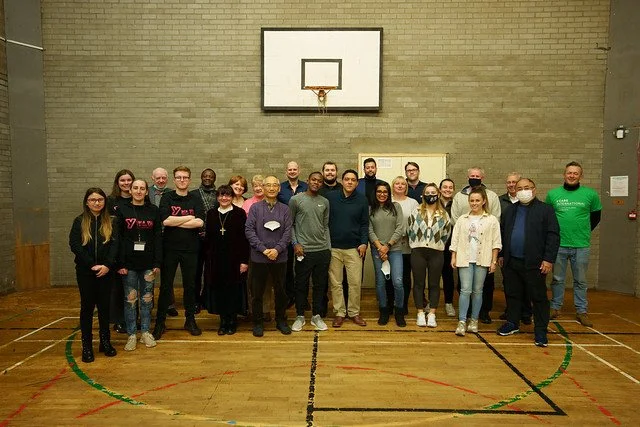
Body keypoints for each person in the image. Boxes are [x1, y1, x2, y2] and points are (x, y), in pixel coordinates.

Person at [496, 178, 560, 347]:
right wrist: (502, 254)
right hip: (511, 262)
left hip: (535, 263)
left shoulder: (546, 210)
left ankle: (540, 330)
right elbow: (502, 233)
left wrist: (548, 259)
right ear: (515, 191)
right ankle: (512, 322)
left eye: (527, 188)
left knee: (538, 297)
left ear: (534, 190)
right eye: (520, 188)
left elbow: (553, 236)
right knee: (513, 294)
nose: (523, 191)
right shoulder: (510, 210)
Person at [545, 161, 602, 327]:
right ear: (564, 174)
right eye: (569, 173)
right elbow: (548, 218)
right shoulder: (553, 194)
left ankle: (581, 311)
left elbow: (596, 217)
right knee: (557, 279)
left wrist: (582, 230)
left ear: (580, 176)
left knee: (581, 280)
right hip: (559, 245)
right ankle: (555, 308)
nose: (571, 176)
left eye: (575, 173)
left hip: (581, 245)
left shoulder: (590, 195)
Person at [152, 166, 205, 340]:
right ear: (174, 180)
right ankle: (160, 322)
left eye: (185, 178)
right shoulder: (168, 197)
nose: (182, 180)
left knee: (190, 286)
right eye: (179, 177)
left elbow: (200, 223)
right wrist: (188, 218)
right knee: (166, 286)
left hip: (191, 249)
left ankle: (190, 320)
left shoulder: (195, 198)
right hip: (170, 249)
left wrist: (177, 221)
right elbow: (165, 221)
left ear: (189, 180)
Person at [69, 188, 119, 363]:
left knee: (104, 307)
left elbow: (115, 245)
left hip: (106, 272)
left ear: (104, 201)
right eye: (92, 200)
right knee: (87, 308)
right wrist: (92, 264)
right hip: (86, 272)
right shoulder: (79, 221)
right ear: (87, 202)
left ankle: (105, 342)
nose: (96, 202)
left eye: (100, 199)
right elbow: (75, 245)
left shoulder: (112, 221)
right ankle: (87, 345)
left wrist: (107, 265)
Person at [116, 179, 162, 351]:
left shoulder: (153, 210)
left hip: (148, 263)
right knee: (130, 300)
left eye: (142, 188)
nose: (138, 191)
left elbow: (158, 237)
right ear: (131, 190)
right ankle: (131, 334)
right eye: (135, 188)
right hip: (128, 264)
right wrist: (120, 263)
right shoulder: (122, 210)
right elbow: (118, 238)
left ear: (146, 191)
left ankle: (145, 332)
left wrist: (157, 261)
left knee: (147, 299)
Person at [451, 167, 501, 324]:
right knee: (465, 290)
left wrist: (493, 261)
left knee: (478, 291)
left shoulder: (491, 219)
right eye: (472, 201)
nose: (474, 203)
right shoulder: (462, 219)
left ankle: (474, 320)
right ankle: (462, 321)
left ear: (484, 201)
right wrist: (453, 255)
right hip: (465, 259)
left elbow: (496, 241)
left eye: (477, 200)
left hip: (483, 259)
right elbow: (456, 239)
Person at [245, 175, 293, 337]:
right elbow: (249, 230)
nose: (271, 188)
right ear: (263, 188)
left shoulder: (285, 209)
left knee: (281, 291)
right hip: (259, 258)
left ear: (279, 188)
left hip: (280, 258)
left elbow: (288, 233)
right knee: (257, 292)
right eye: (268, 185)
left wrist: (277, 250)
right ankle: (258, 322)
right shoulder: (255, 209)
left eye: (275, 185)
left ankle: (281, 320)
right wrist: (264, 250)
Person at [202, 185, 250, 335]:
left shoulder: (239, 213)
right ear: (217, 197)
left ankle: (232, 321)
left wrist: (244, 261)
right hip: (216, 260)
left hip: (234, 260)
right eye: (221, 195)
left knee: (233, 291)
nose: (224, 198)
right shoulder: (211, 214)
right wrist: (207, 259)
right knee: (220, 291)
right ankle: (223, 322)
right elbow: (208, 239)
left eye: (227, 195)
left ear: (232, 197)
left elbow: (244, 239)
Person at [325, 169, 369, 327]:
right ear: (342, 181)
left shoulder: (362, 200)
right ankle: (339, 312)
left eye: (353, 180)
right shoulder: (330, 198)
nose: (350, 182)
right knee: (336, 283)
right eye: (347, 179)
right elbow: (324, 221)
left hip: (354, 248)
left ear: (357, 183)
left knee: (355, 282)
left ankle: (354, 312)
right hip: (334, 248)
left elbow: (365, 224)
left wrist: (364, 242)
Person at [289, 172, 331, 332]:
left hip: (322, 250)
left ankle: (316, 316)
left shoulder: (325, 202)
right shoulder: (296, 200)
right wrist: (295, 243)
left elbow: (325, 226)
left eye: (319, 181)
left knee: (320, 286)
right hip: (303, 251)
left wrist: (328, 247)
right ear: (307, 181)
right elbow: (290, 224)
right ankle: (300, 316)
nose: (316, 183)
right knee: (301, 285)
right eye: (313, 179)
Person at [408, 183, 452, 328]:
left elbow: (446, 234)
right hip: (418, 251)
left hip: (436, 252)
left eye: (433, 192)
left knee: (434, 284)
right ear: (423, 194)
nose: (430, 195)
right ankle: (420, 312)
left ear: (438, 194)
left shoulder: (444, 214)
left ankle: (432, 313)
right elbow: (410, 229)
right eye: (427, 192)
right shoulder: (415, 211)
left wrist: (437, 244)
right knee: (419, 283)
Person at [369, 182, 406, 326]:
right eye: (379, 191)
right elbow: (370, 230)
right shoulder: (370, 209)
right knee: (380, 282)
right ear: (375, 193)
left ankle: (399, 311)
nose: (382, 194)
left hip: (394, 249)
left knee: (397, 281)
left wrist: (388, 246)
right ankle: (383, 310)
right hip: (377, 250)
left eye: (385, 191)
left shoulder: (396, 207)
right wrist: (380, 248)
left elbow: (400, 227)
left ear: (389, 193)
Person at [498, 172, 532, 325]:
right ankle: (511, 311)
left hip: (528, 254)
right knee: (510, 285)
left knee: (526, 284)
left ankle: (526, 312)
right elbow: (501, 228)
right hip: (508, 253)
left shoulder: (534, 205)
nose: (511, 185)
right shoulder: (501, 202)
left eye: (514, 182)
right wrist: (500, 253)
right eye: (509, 182)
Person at [277, 161, 309, 307]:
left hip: (303, 231)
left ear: (299, 170)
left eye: (294, 169)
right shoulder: (280, 188)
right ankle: (289, 296)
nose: (292, 171)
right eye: (289, 169)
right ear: (286, 171)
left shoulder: (306, 187)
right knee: (287, 267)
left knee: (303, 268)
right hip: (284, 232)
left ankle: (303, 297)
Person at [107, 169, 135, 334]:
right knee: (118, 288)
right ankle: (119, 320)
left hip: (135, 250)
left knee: (133, 287)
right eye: (122, 180)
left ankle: (133, 318)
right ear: (117, 183)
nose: (126, 183)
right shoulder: (111, 201)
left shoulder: (137, 199)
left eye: (129, 180)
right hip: (117, 249)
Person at [391, 176, 419, 315]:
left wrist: (407, 234)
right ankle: (390, 304)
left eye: (403, 184)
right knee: (389, 276)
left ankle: (403, 305)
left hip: (407, 246)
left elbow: (416, 222)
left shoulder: (413, 203)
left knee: (404, 277)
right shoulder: (388, 200)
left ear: (406, 187)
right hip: (389, 246)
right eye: (397, 183)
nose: (400, 186)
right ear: (393, 186)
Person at [191, 168, 218, 313]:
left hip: (213, 239)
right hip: (196, 238)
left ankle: (206, 298)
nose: (207, 178)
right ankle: (195, 300)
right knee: (196, 271)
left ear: (214, 178)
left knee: (210, 270)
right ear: (201, 177)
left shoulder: (219, 195)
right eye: (205, 176)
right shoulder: (193, 194)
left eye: (211, 176)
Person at [439, 178, 457, 317]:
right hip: (434, 245)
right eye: (445, 187)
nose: (447, 189)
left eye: (450, 187)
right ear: (440, 189)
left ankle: (448, 302)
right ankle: (429, 302)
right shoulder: (433, 202)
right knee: (432, 275)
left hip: (450, 245)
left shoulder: (456, 204)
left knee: (448, 275)